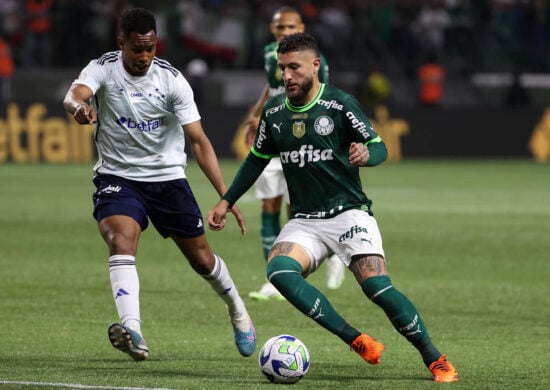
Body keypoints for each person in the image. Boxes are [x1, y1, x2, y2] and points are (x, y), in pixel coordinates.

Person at [208, 32, 459, 383]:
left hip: (349, 213)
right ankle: (355, 339)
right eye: (282, 68)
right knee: (279, 272)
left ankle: (434, 358)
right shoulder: (274, 112)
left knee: (375, 286)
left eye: (294, 67)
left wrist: (366, 155)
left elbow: (379, 146)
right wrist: (226, 201)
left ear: (315, 66)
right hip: (305, 221)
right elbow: (255, 161)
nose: (287, 76)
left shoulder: (340, 104)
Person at [62, 7, 256, 362]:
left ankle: (237, 310)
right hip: (118, 177)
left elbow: (198, 142)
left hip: (167, 180)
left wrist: (226, 197)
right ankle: (132, 330)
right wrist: (78, 108)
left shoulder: (171, 80)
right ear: (122, 43)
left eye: (151, 48)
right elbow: (74, 94)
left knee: (201, 260)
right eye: (137, 49)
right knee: (121, 238)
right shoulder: (103, 67)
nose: (145, 57)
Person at [243, 6, 345, 301]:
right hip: (272, 132)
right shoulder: (268, 55)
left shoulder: (317, 61)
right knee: (268, 206)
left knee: (296, 209)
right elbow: (273, 85)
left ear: (301, 27)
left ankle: (326, 257)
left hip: (297, 138)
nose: (284, 33)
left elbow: (323, 94)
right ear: (273, 30)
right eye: (279, 28)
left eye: (290, 28)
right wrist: (256, 112)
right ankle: (273, 278)